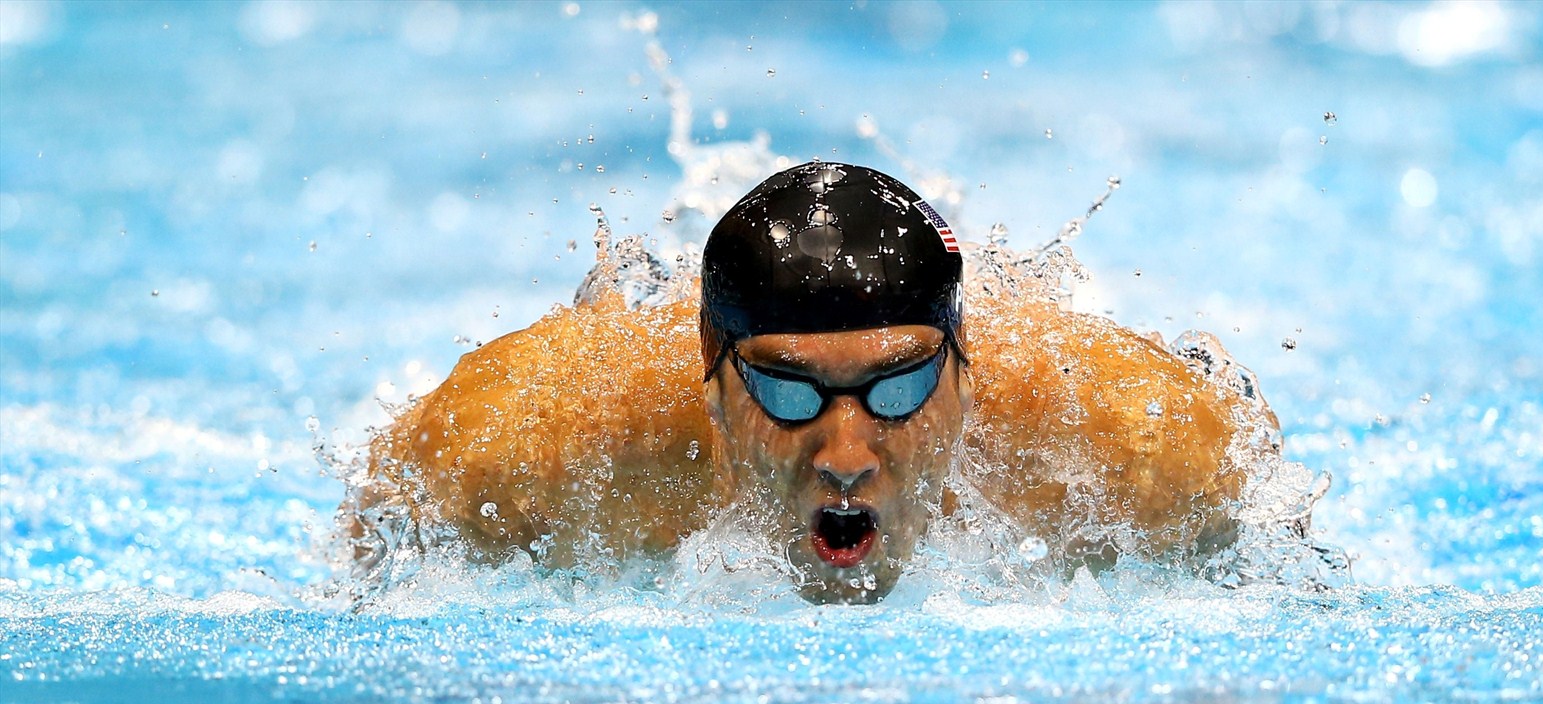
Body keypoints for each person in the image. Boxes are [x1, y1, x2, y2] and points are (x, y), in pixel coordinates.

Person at [350, 161, 1276, 603]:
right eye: (789, 394)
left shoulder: (1137, 446)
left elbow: (1274, 543)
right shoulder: (540, 442)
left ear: (965, 368)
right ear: (709, 376)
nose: (843, 455)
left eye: (899, 388)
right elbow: (383, 514)